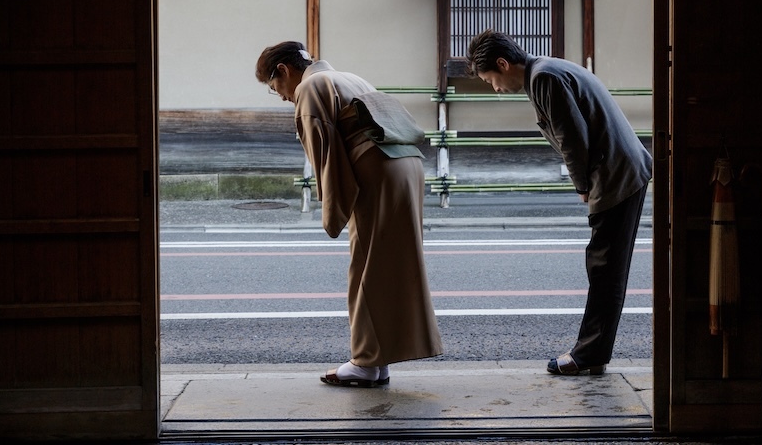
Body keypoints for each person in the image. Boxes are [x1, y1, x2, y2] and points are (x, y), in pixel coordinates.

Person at [255, 41, 443, 387]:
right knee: (391, 265)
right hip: (407, 166)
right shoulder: (349, 77)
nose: (281, 96)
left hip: (376, 169)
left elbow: (324, 152)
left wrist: (332, 210)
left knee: (366, 266)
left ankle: (365, 361)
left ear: (283, 71)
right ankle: (378, 359)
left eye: (274, 87)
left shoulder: (310, 87)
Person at [466, 29, 652, 376]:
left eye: (490, 79)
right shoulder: (546, 70)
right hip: (623, 167)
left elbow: (572, 137)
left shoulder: (545, 78)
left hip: (615, 173)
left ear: (503, 64)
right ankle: (593, 352)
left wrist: (581, 184)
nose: (494, 87)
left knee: (604, 267)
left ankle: (588, 354)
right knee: (607, 267)